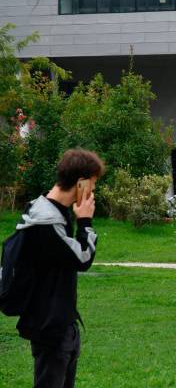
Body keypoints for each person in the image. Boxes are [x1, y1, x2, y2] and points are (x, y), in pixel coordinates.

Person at [14, 149, 105, 388]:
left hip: (60, 323)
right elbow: (83, 258)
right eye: (92, 185)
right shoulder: (46, 221)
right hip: (51, 329)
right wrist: (85, 221)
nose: (93, 192)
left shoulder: (46, 209)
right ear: (81, 183)